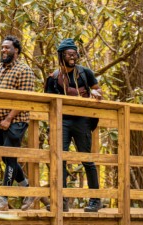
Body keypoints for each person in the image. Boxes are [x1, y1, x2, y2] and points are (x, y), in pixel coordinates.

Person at [44, 38, 103, 212]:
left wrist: (95, 93)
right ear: (61, 55)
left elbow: (98, 90)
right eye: (69, 53)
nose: (73, 56)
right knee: (60, 158)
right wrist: (50, 128)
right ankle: (61, 201)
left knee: (87, 160)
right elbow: (47, 103)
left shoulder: (85, 73)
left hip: (82, 120)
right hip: (62, 121)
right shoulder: (53, 78)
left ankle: (95, 200)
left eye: (74, 53)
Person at [0, 35, 39, 211]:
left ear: (16, 50)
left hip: (16, 120)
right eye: (2, 47)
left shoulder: (24, 70)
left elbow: (25, 99)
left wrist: (9, 118)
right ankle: (28, 190)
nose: (3, 50)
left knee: (9, 155)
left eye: (7, 48)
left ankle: (3, 198)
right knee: (5, 156)